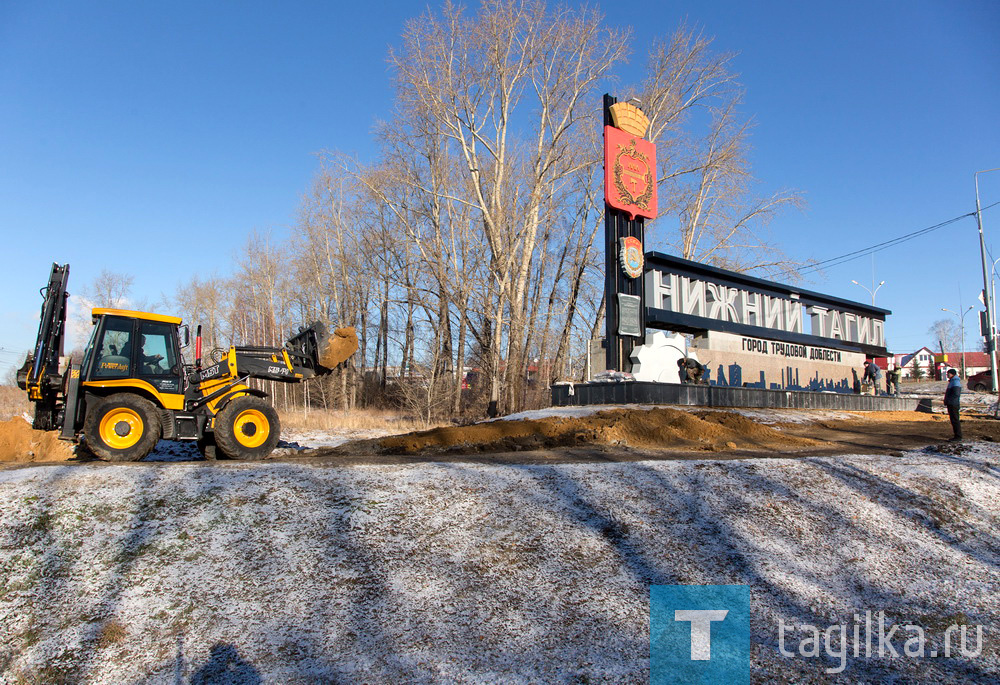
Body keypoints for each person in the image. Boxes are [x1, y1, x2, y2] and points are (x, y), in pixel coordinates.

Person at [944, 368, 962, 441]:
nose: (947, 375)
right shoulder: (952, 381)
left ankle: (958, 436)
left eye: (948, 373)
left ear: (952, 374)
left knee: (955, 420)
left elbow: (956, 393)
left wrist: (949, 400)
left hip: (953, 404)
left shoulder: (955, 382)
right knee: (953, 420)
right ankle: (957, 435)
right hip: (951, 403)